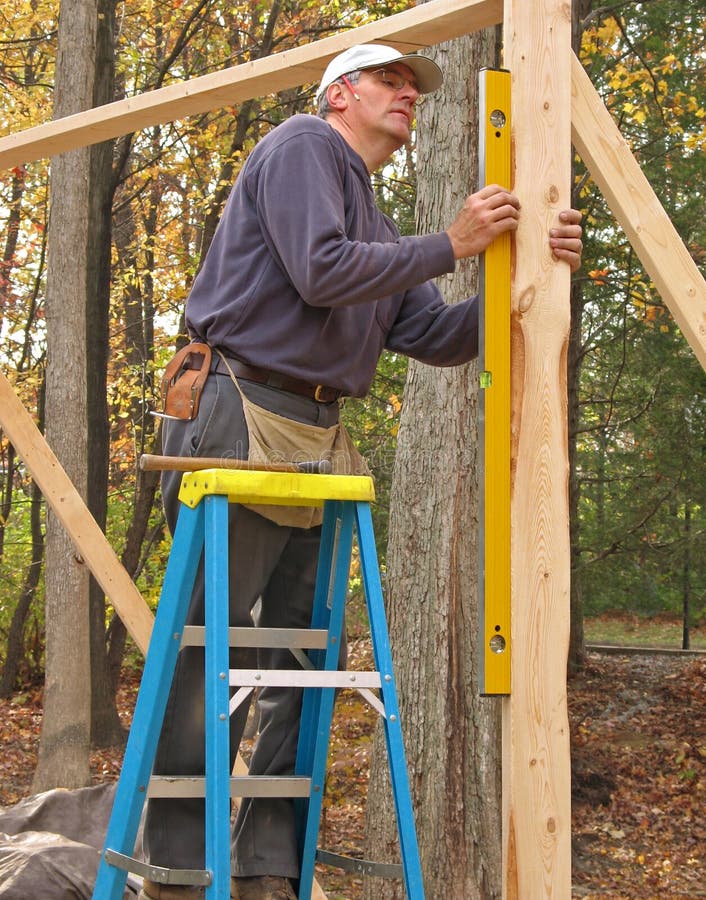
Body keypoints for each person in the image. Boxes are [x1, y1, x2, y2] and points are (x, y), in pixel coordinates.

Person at [138, 44, 583, 900]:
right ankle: (178, 867)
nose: (408, 95)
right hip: (238, 408)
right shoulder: (305, 146)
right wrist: (453, 241)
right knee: (212, 644)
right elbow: (320, 269)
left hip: (311, 433)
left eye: (414, 87)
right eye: (391, 81)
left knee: (296, 656)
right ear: (340, 94)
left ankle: (269, 866)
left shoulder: (375, 215)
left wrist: (530, 271)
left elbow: (438, 337)